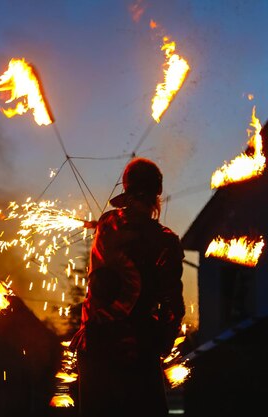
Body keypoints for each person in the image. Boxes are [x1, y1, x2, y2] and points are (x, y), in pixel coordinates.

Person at [70, 157, 185, 417]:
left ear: (127, 191)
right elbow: (173, 307)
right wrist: (164, 341)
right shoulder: (165, 242)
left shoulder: (106, 225)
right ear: (156, 198)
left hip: (95, 348)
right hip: (137, 352)